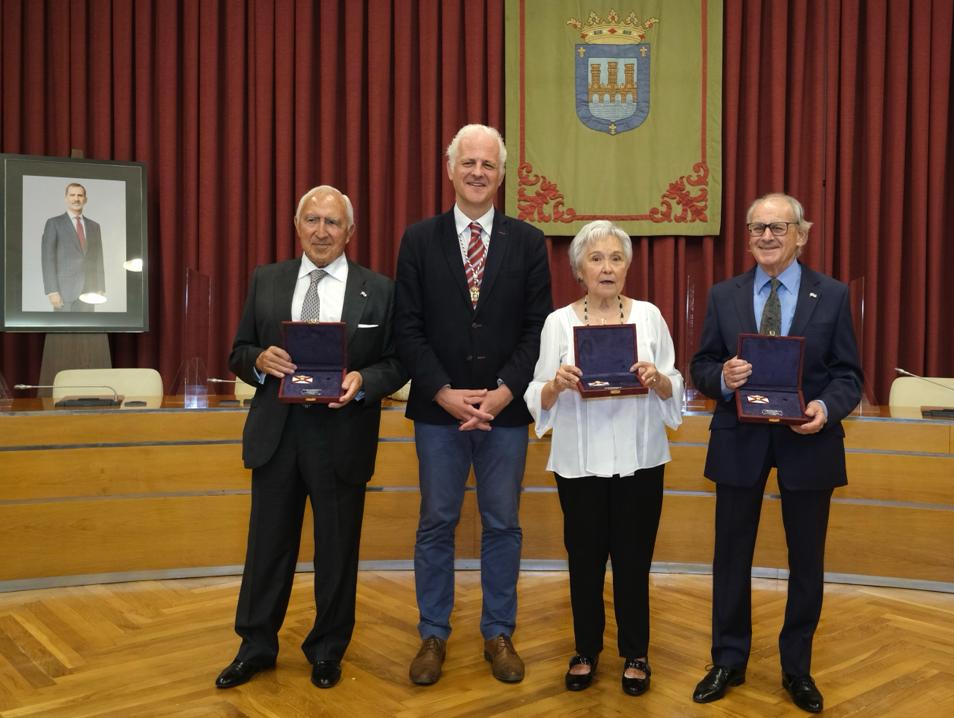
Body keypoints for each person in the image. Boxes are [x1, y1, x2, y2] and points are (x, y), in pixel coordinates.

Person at [215, 185, 406, 691]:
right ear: (297, 227)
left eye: (333, 223)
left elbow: (397, 361)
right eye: (313, 221)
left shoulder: (380, 290)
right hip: (277, 432)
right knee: (267, 548)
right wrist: (257, 360)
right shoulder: (266, 279)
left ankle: (327, 649)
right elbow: (238, 350)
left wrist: (365, 382)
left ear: (350, 232)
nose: (322, 231)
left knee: (337, 550)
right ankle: (255, 646)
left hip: (343, 432)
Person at [689, 193, 863, 713]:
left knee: (806, 561)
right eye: (757, 227)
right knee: (730, 557)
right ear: (747, 235)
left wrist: (825, 409)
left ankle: (797, 668)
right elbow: (701, 366)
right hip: (739, 440)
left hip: (807, 443)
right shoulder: (724, 295)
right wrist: (721, 377)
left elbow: (849, 376)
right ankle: (727, 660)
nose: (766, 236)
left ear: (801, 235)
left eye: (778, 228)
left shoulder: (830, 296)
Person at [394, 124, 552, 685]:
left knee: (502, 525)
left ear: (502, 174)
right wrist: (442, 391)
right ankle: (432, 634)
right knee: (436, 523)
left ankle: (497, 633)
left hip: (506, 412)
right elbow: (406, 329)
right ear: (451, 169)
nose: (478, 172)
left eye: (488, 164)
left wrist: (506, 391)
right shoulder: (418, 239)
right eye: (469, 163)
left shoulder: (529, 242)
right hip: (439, 411)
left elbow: (539, 330)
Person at [524, 220, 684, 697]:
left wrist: (657, 379)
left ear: (628, 265)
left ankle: (636, 653)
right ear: (579, 268)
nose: (607, 267)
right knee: (585, 560)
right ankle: (585, 650)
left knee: (634, 560)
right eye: (596, 259)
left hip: (641, 460)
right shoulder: (559, 323)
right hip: (579, 462)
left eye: (615, 258)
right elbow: (537, 392)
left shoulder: (650, 316)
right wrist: (557, 384)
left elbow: (673, 384)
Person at [41, 182, 105, 311]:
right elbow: (48, 259)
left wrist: (100, 287)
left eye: (80, 195)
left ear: (85, 199)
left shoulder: (94, 226)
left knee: (89, 330)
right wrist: (52, 291)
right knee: (62, 330)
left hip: (89, 292)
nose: (76, 199)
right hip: (64, 293)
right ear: (66, 198)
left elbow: (98, 258)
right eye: (72, 195)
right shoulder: (54, 223)